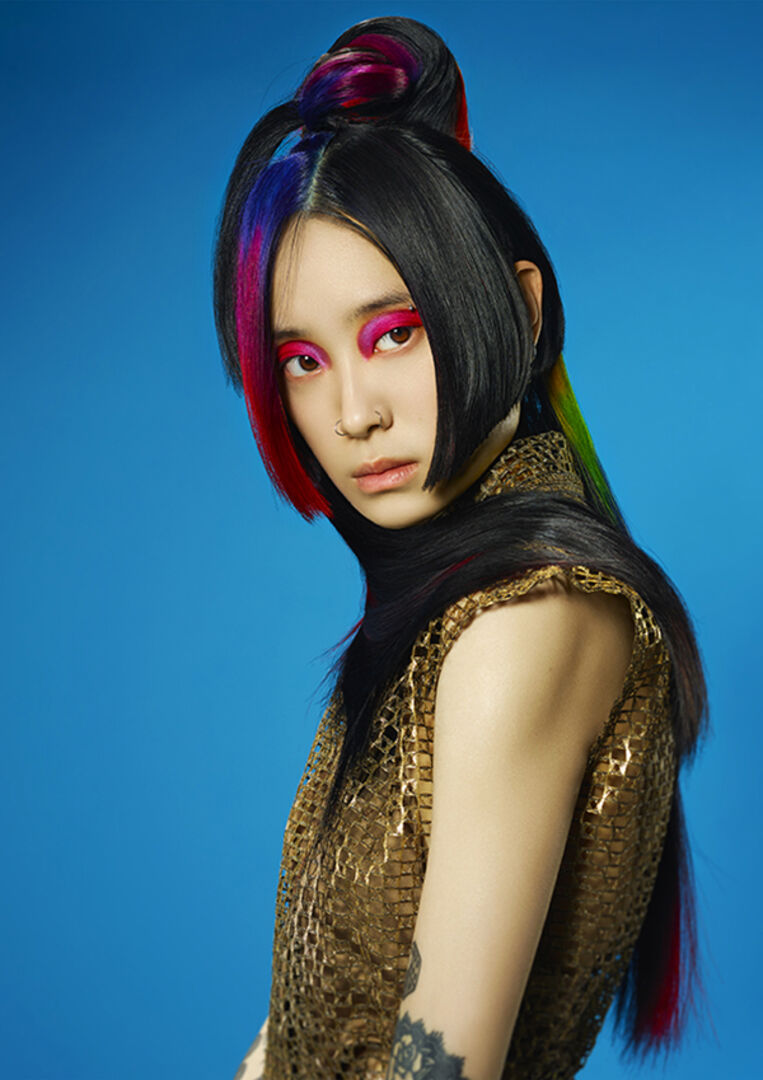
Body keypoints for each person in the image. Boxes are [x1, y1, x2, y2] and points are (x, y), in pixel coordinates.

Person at [213, 16, 707, 1080]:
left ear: (519, 311)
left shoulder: (523, 625)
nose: (353, 412)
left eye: (394, 333)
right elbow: (303, 1017)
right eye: (302, 360)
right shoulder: (458, 610)